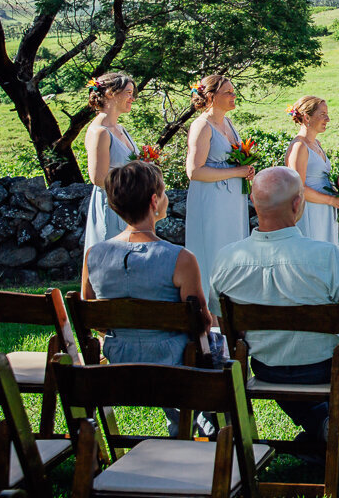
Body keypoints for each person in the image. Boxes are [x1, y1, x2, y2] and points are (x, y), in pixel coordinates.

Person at [209, 167, 339, 448]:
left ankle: (321, 428)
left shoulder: (227, 259)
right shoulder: (325, 256)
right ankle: (334, 427)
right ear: (298, 204)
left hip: (265, 369)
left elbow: (221, 324)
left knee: (289, 364)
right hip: (323, 369)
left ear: (253, 201)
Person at [82, 160, 213, 434]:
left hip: (119, 359)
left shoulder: (94, 255)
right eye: (163, 193)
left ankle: (186, 425)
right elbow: (200, 322)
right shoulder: (180, 258)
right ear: (155, 201)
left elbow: (92, 314)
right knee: (220, 352)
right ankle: (209, 430)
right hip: (173, 362)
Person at [184, 75, 253, 299]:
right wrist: (236, 171)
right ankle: (210, 314)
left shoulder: (228, 123)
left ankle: (230, 309)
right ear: (211, 97)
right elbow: (194, 171)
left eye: (234, 91)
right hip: (210, 201)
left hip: (232, 200)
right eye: (228, 92)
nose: (234, 96)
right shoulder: (201, 126)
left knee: (233, 250)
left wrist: (246, 169)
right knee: (212, 252)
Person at [83, 72, 139, 253]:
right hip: (112, 204)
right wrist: (136, 177)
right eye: (128, 93)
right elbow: (98, 178)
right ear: (110, 94)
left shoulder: (120, 129)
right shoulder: (99, 132)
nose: (132, 98)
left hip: (130, 201)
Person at [285, 96, 339, 245]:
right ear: (307, 117)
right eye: (322, 114)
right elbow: (297, 189)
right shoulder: (299, 147)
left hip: (325, 210)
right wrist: (332, 200)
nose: (327, 119)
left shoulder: (317, 144)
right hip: (309, 212)